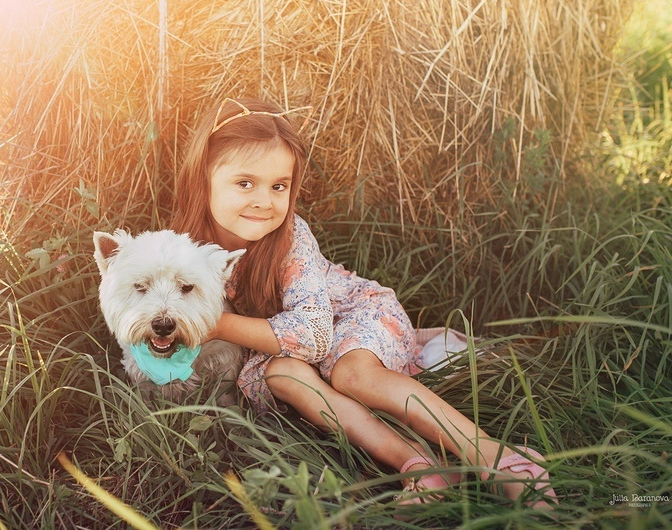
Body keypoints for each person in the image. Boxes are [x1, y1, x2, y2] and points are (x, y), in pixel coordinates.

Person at [171, 97, 557, 508]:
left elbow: (316, 335)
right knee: (282, 376)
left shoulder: (290, 238)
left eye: (278, 186)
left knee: (350, 373)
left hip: (353, 316)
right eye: (245, 183)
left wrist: (218, 325)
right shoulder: (179, 247)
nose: (265, 201)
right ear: (203, 177)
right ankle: (421, 466)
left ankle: (495, 455)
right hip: (282, 352)